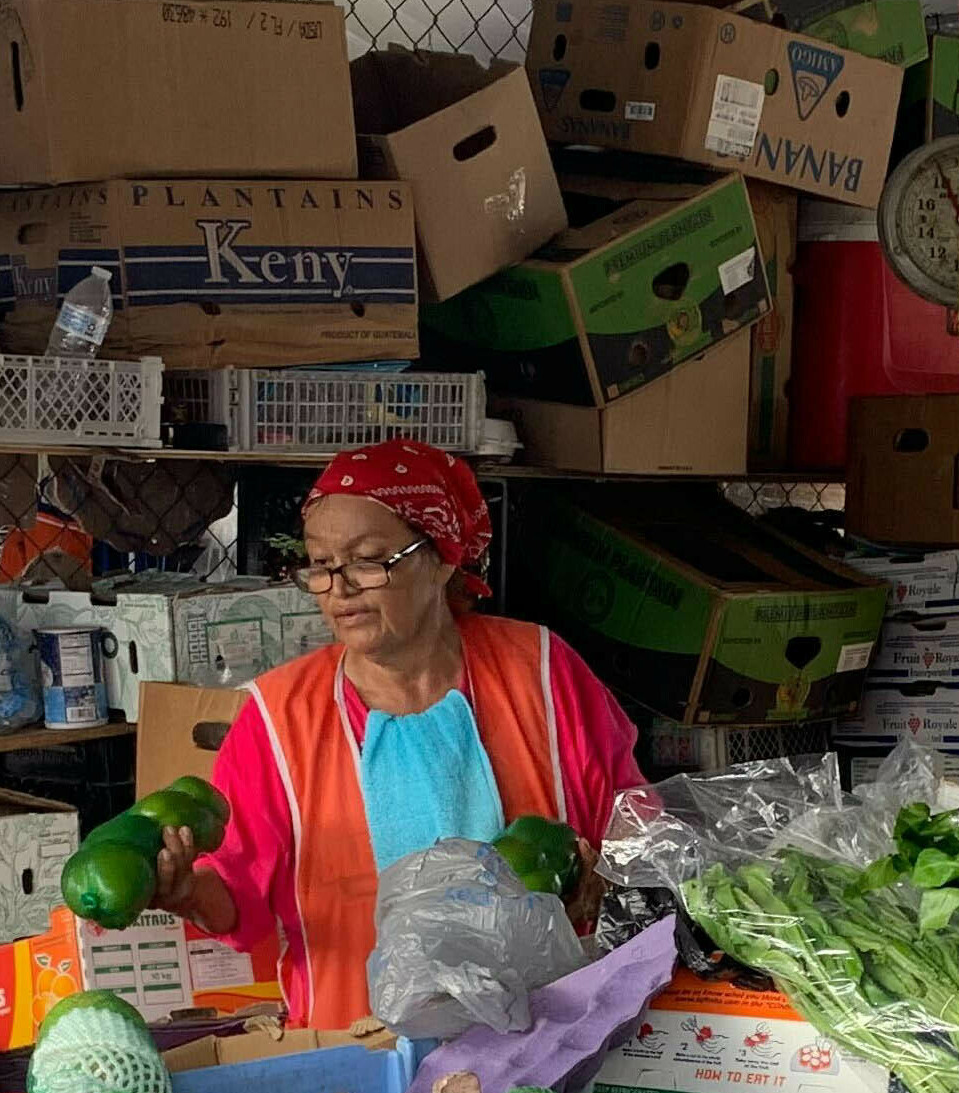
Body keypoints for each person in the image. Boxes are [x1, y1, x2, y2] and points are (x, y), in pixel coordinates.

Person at [150, 440, 643, 1028]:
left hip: (550, 1037)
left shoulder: (541, 670)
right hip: (360, 1054)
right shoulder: (278, 719)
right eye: (320, 564)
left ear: (441, 558)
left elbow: (635, 830)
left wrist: (603, 884)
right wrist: (185, 894)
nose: (339, 588)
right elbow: (238, 894)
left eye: (367, 560)